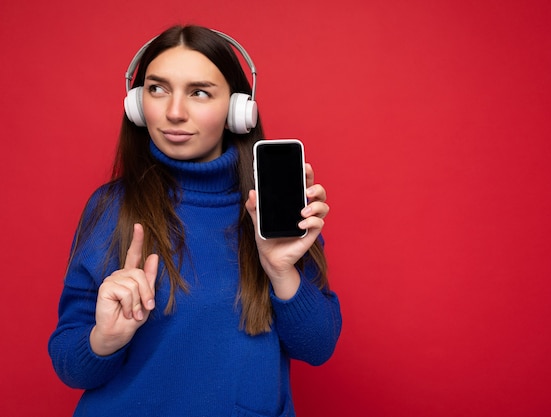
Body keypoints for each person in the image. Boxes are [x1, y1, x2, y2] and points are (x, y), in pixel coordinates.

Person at [48, 24, 342, 417]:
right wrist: (105, 338)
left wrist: (280, 270)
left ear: (240, 110)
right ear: (136, 103)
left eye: (199, 92)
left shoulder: (274, 211)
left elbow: (318, 347)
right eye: (157, 89)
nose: (173, 112)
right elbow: (70, 365)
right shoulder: (110, 207)